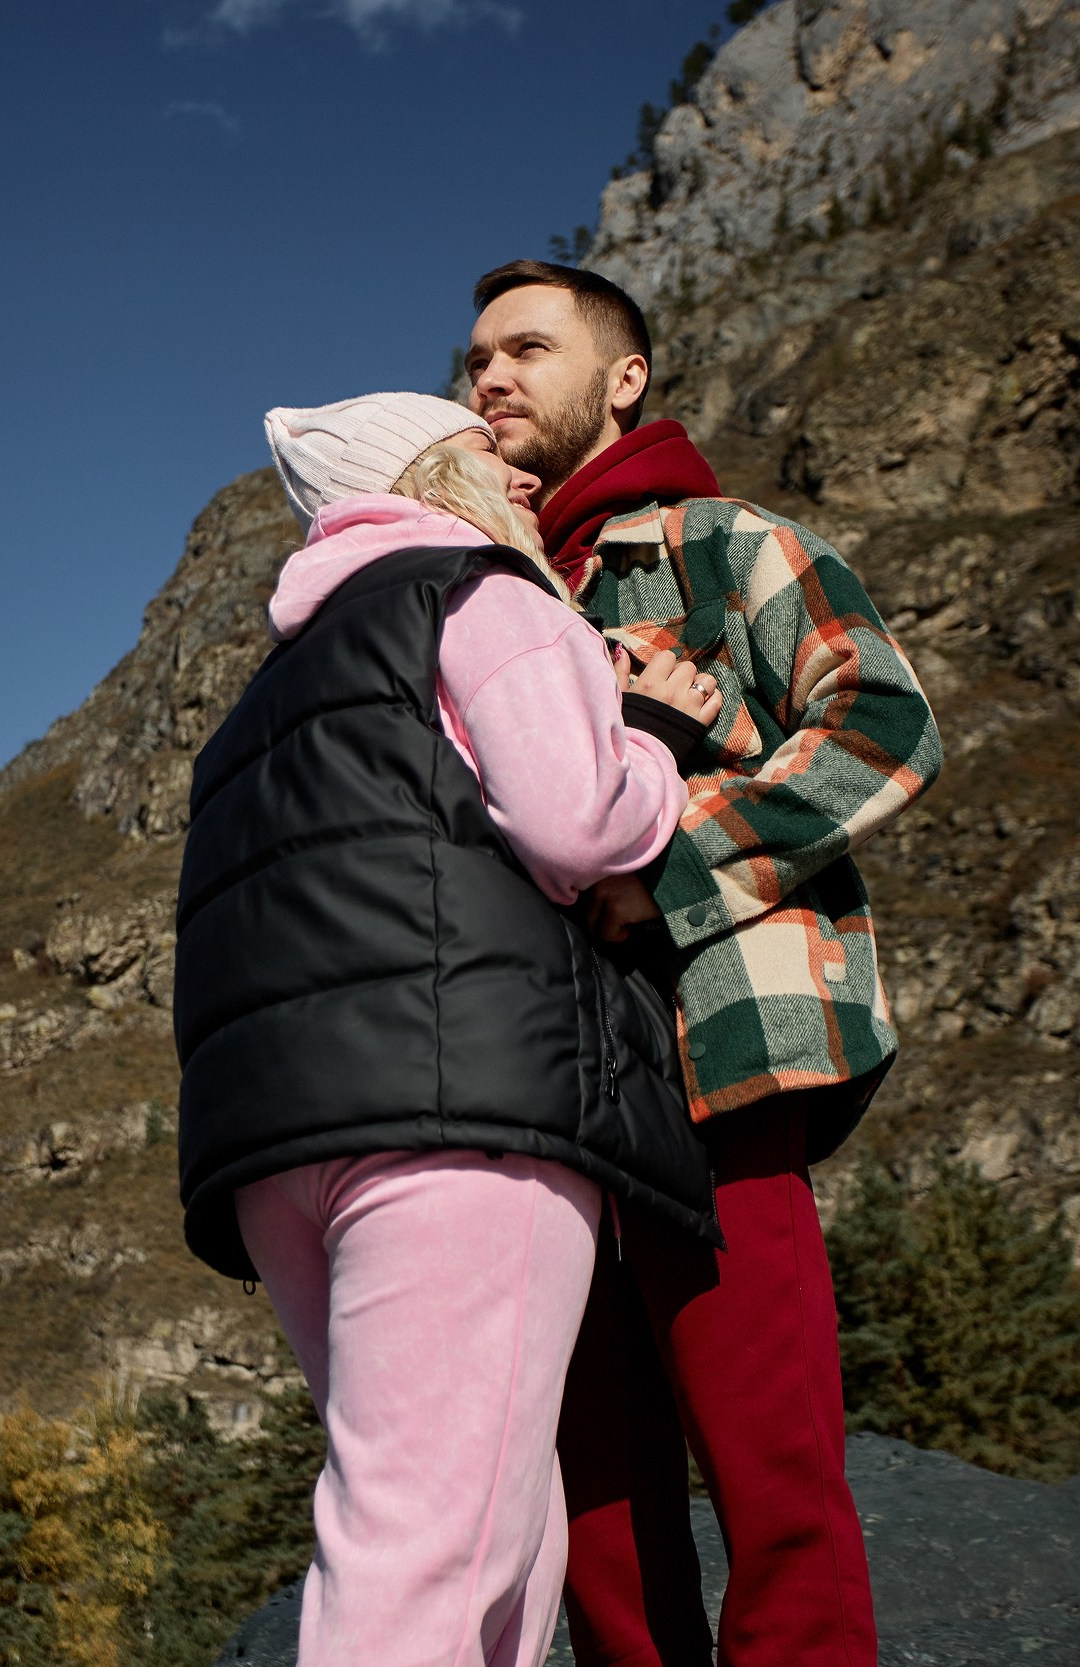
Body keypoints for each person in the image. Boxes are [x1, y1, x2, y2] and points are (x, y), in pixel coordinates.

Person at [172, 391, 729, 1667]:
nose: (523, 476)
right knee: (442, 1538)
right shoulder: (482, 595)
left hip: (279, 1151)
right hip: (461, 1118)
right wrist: (656, 738)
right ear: (431, 474)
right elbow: (575, 824)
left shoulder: (266, 697)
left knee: (484, 1521)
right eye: (489, 455)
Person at [465, 260, 944, 1667]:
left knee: (769, 1462)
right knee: (596, 1495)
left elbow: (885, 725)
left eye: (527, 348)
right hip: (546, 1092)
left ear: (624, 379)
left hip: (723, 1047)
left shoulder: (732, 545)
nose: (488, 375)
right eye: (475, 356)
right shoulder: (488, 600)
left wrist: (668, 867)